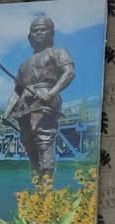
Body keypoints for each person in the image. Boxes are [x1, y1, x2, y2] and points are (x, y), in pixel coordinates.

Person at [6, 13, 74, 184]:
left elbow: (69, 73)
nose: (38, 33)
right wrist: (7, 112)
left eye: (43, 30)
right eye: (35, 31)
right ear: (29, 37)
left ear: (51, 33)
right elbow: (17, 91)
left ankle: (46, 181)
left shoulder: (58, 52)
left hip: (45, 98)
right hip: (24, 104)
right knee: (28, 142)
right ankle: (37, 180)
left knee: (43, 137)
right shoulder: (23, 64)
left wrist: (51, 94)